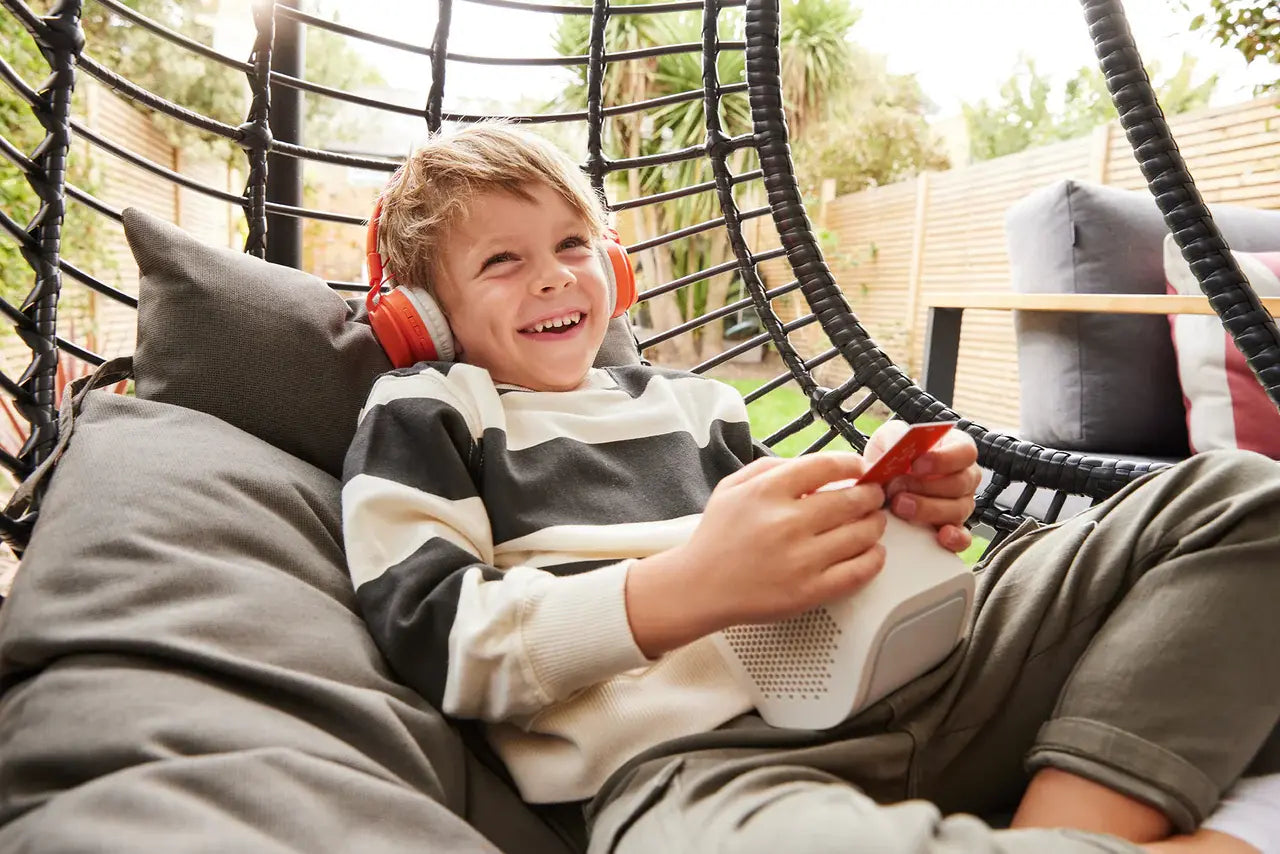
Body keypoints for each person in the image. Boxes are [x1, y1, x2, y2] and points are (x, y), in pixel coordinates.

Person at [341, 122, 1280, 854]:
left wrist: (900, 510)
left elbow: (811, 552)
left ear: (613, 264)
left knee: (1240, 497)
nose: (553, 278)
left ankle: (1057, 829)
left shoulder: (695, 402)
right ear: (422, 313)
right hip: (691, 767)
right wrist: (687, 588)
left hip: (908, 682)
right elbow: (437, 637)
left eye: (574, 244)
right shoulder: (432, 409)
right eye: (501, 262)